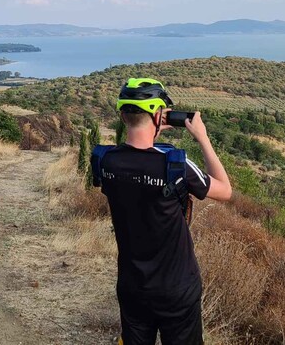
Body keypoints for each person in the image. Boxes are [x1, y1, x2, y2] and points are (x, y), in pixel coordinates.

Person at [93, 78, 233, 345]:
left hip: (133, 287)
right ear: (158, 114)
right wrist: (202, 138)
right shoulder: (175, 165)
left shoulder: (104, 161)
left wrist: (152, 129)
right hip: (176, 289)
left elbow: (133, 160)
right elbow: (225, 190)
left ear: (123, 116)